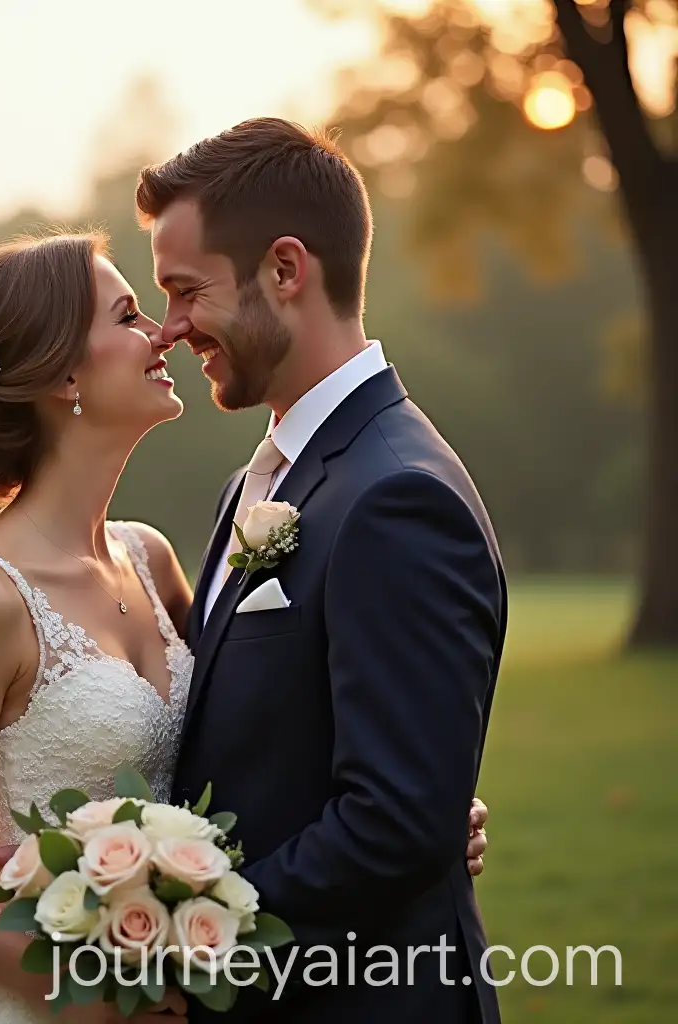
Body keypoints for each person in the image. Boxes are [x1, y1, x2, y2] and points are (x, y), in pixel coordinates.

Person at [0, 225, 490, 1023]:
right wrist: (94, 988)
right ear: (61, 373)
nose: (163, 332)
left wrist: (416, 812)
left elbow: (263, 727)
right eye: (130, 315)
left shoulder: (152, 558)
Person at [136, 117, 507, 1022]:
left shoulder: (395, 495)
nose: (171, 327)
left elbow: (395, 823)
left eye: (187, 292)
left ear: (286, 270)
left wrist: (189, 933)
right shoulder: (261, 481)